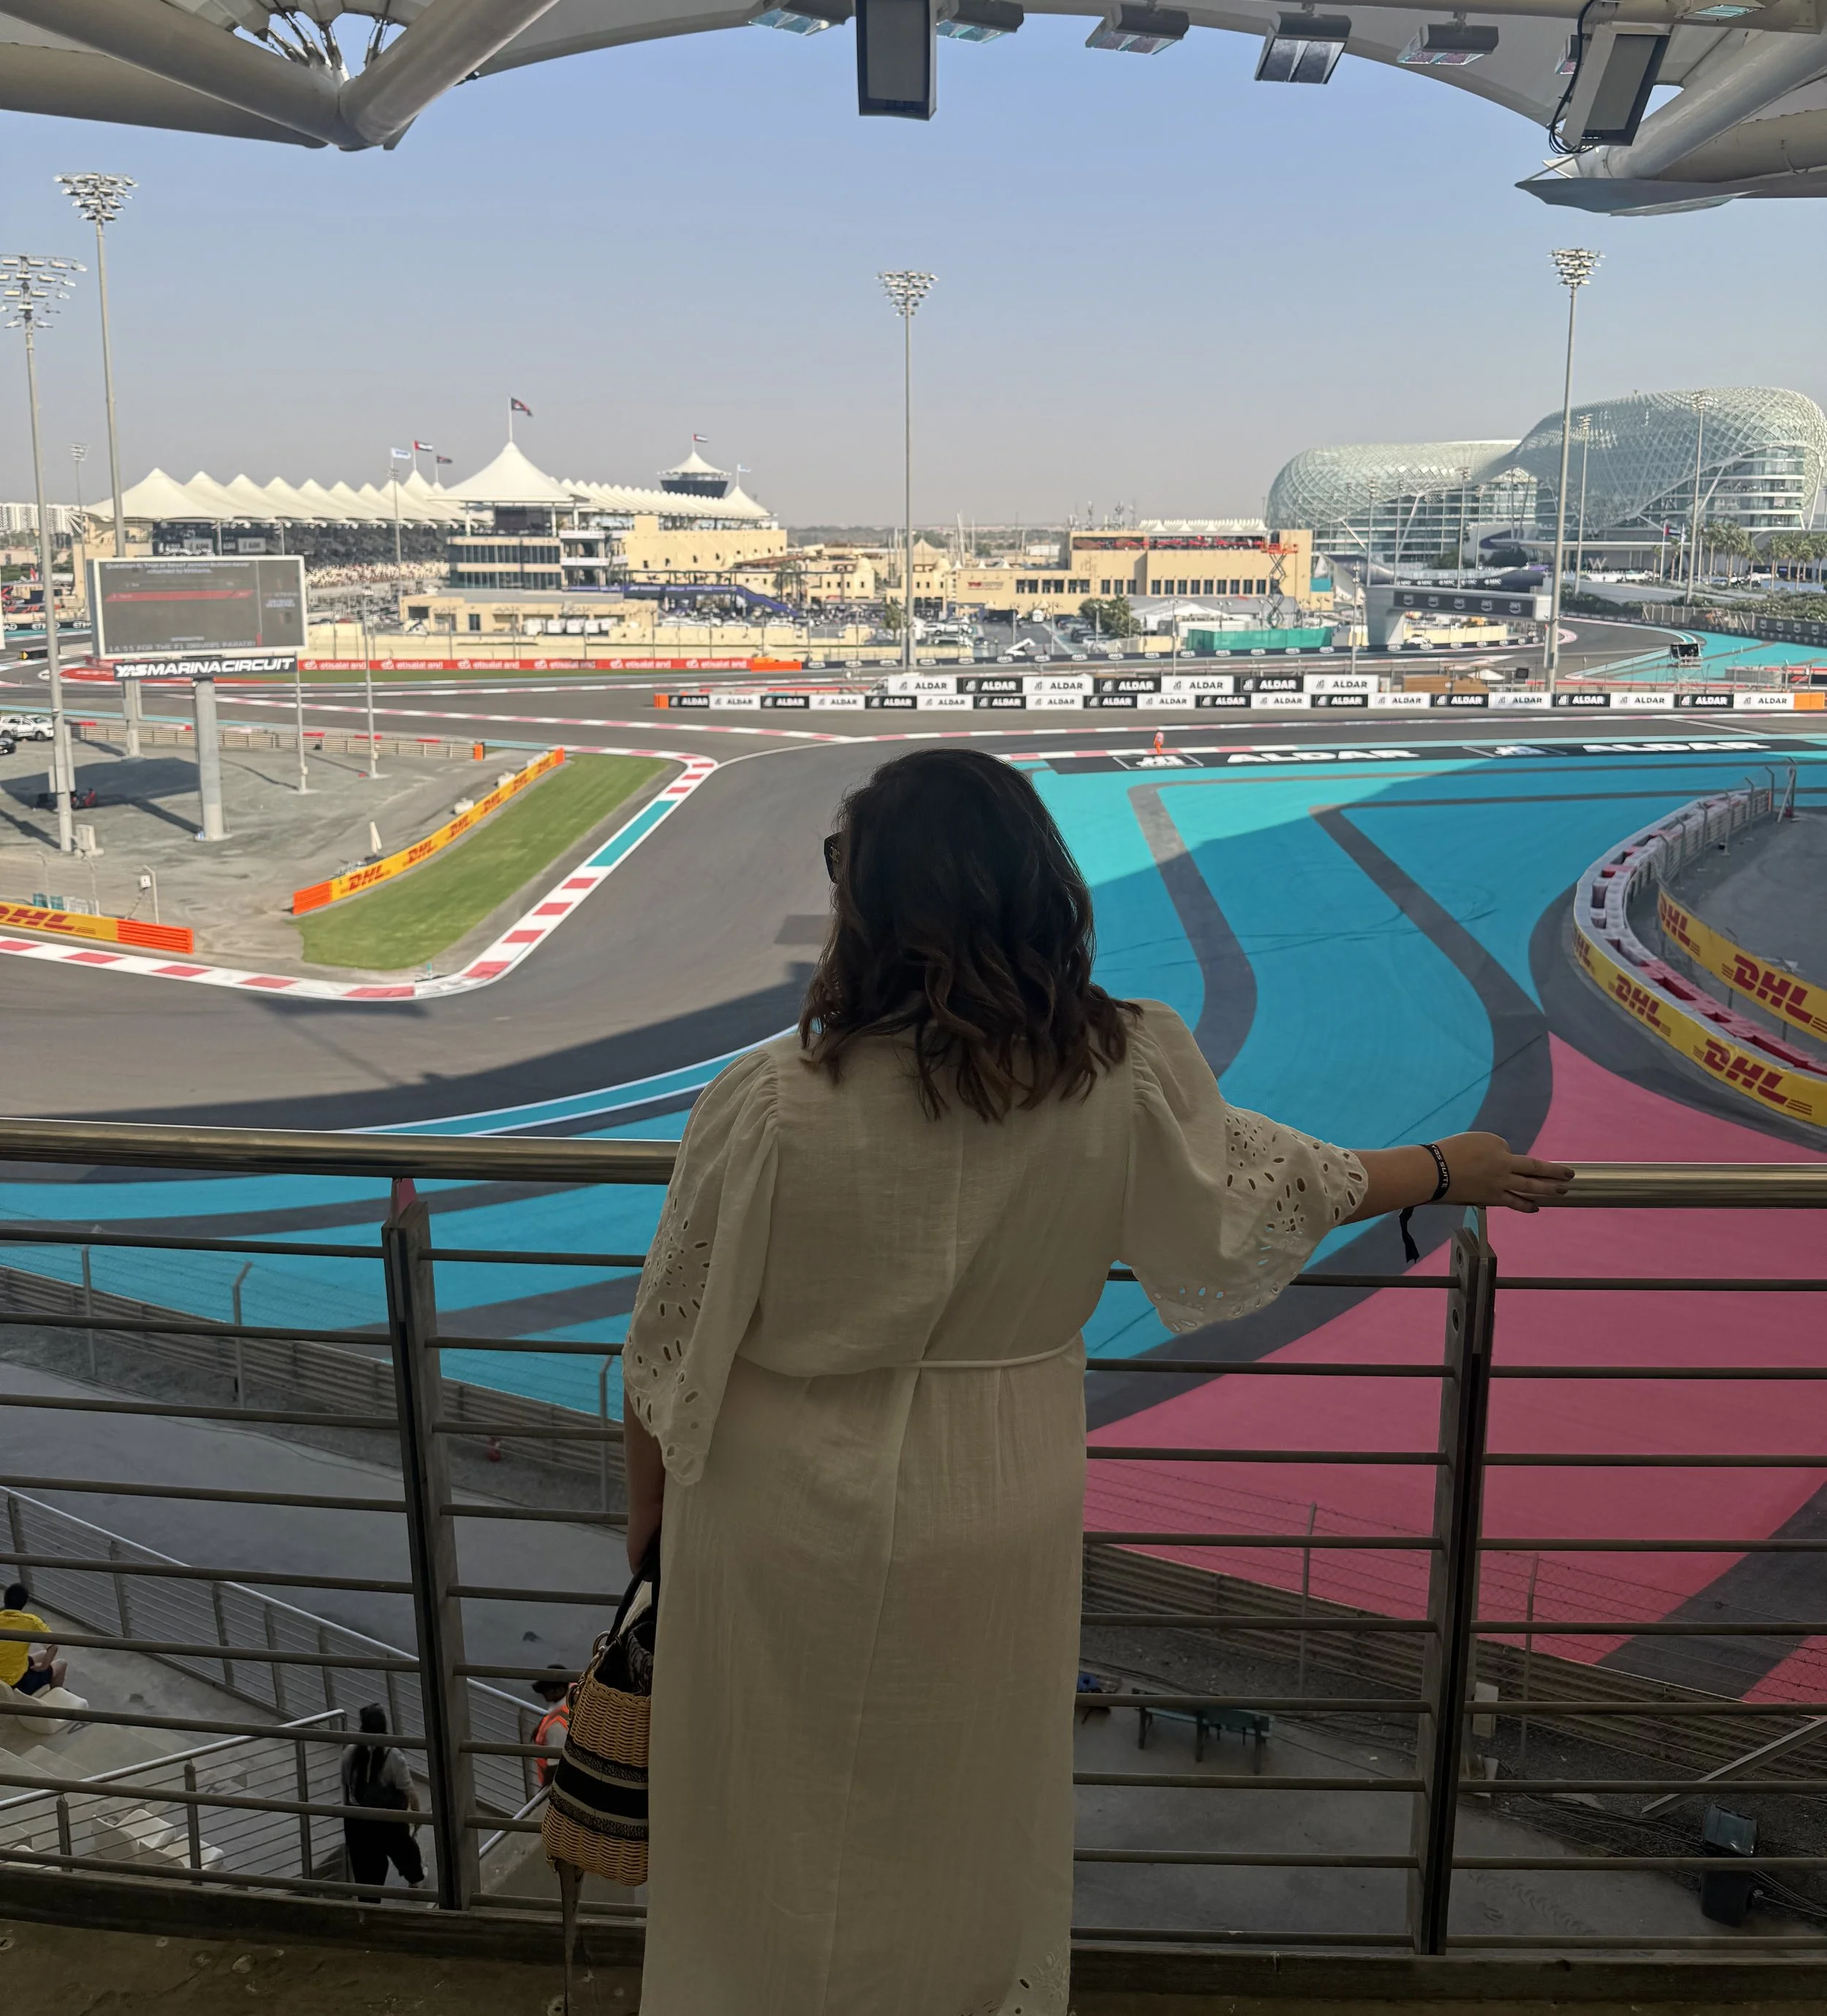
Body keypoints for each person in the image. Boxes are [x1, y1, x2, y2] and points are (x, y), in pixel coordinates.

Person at [620, 748, 1572, 2016]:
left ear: (869, 903)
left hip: (778, 1507)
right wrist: (1445, 1165)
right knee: (970, 1809)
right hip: (1000, 1486)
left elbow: (665, 1349)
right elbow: (1278, 1184)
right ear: (1041, 887)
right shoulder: (1119, 1069)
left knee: (768, 1821)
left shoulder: (770, 1100)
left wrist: (650, 1526)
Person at [338, 1702, 424, 1895]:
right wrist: (417, 1814)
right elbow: (408, 1789)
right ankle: (415, 1880)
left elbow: (346, 1785)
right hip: (388, 1819)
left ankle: (369, 1906)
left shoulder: (349, 1753)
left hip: (358, 1819)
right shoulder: (393, 1756)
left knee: (366, 1866)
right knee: (404, 1850)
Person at [0, 1580, 64, 1696]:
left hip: (5, 1675)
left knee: (43, 1654)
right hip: (17, 1683)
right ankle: (53, 1699)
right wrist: (44, 1667)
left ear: (5, 1599)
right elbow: (54, 1646)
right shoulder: (31, 1621)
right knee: (61, 1664)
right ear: (25, 1603)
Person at [530, 1668, 571, 1792]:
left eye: (547, 1690)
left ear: (560, 1690)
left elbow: (554, 1766)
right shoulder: (572, 1697)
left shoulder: (557, 1727)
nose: (544, 1693)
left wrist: (542, 1794)